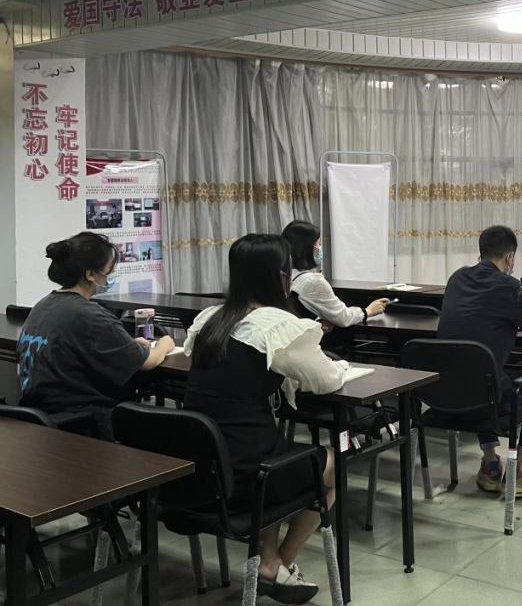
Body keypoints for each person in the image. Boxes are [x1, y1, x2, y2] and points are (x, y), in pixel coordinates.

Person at [184, 234, 347, 604]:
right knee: (333, 466)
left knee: (274, 447)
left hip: (202, 469)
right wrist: (341, 366)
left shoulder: (210, 320)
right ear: (282, 276)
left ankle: (270, 562)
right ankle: (278, 565)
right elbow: (325, 381)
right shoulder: (277, 324)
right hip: (248, 475)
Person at [437, 225, 522, 497]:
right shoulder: (510, 287)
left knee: (482, 374)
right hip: (484, 401)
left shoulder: (456, 278)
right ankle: (520, 470)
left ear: (481, 252)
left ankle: (491, 464)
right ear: (510, 257)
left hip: (442, 395)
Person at [16, 232, 175, 440]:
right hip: (80, 424)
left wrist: (128, 345)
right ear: (91, 274)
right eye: (109, 270)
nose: (110, 276)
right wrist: (165, 344)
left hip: (38, 418)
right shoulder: (89, 314)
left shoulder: (43, 305)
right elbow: (147, 362)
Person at [282, 220, 389, 329]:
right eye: (319, 244)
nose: (320, 249)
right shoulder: (312, 282)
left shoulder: (281, 275)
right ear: (307, 249)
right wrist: (368, 311)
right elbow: (343, 318)